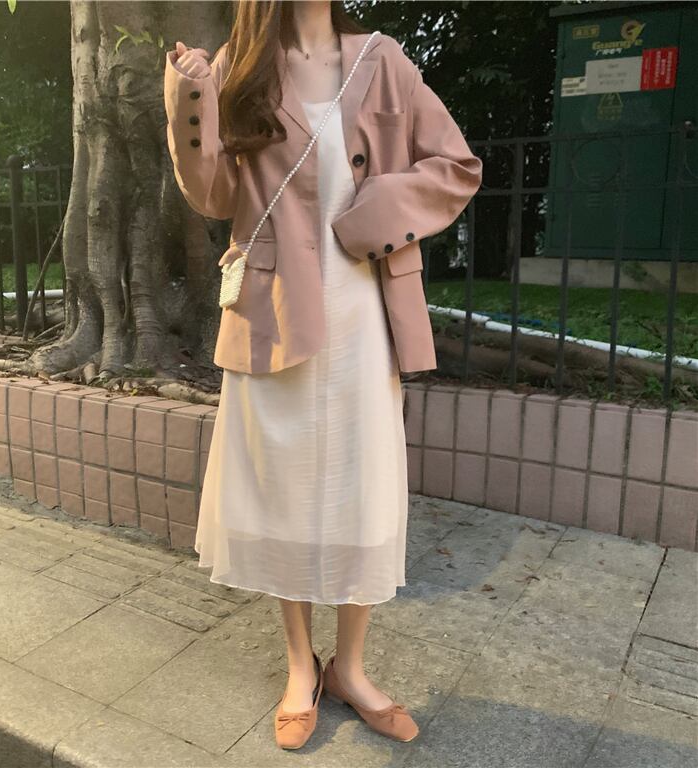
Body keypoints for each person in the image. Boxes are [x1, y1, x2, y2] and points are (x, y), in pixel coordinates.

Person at [163, 0, 482, 751]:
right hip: (273, 312)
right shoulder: (241, 66)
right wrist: (191, 97)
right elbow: (214, 197)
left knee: (361, 488)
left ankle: (353, 670)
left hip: (364, 316)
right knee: (285, 488)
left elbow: (456, 165)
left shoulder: (382, 60)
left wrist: (372, 214)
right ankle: (301, 666)